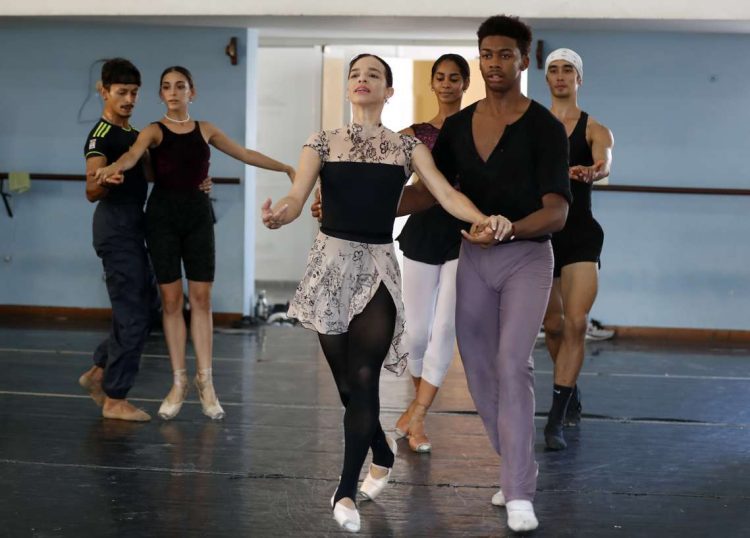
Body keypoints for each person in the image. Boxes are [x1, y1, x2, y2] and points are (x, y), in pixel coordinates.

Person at [261, 53, 501, 533]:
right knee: (348, 387)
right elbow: (297, 196)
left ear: (389, 91)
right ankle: (383, 452)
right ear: (348, 88)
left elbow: (445, 195)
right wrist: (280, 213)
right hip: (329, 269)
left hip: (377, 269)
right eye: (355, 74)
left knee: (365, 375)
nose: (363, 80)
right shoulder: (322, 141)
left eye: (374, 74)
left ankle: (346, 491)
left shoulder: (406, 147)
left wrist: (482, 217)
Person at [397, 16, 572, 532]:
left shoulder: (543, 126)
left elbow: (558, 211)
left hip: (526, 257)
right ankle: (515, 463)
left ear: (524, 58)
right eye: (487, 54)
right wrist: (367, 206)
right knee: (477, 367)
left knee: (512, 362)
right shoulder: (456, 127)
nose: (495, 63)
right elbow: (431, 191)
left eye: (505, 54)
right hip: (473, 258)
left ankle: (519, 490)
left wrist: (508, 230)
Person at [95, 66, 295, 421]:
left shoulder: (206, 129)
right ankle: (179, 382)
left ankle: (206, 382)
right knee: (172, 302)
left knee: (201, 299)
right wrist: (114, 168)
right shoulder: (153, 131)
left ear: (192, 92)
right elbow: (132, 155)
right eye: (167, 87)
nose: (173, 92)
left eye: (180, 86)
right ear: (160, 95)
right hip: (162, 219)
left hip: (198, 217)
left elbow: (244, 153)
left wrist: (286, 168)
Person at [392, 53, 471, 453]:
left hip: (464, 233)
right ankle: (415, 405)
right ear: (432, 84)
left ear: (465, 83)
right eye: (439, 77)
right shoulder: (413, 134)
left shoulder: (478, 128)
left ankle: (418, 417)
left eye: (454, 78)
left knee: (444, 329)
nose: (446, 84)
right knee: (417, 332)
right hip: (423, 232)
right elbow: (389, 183)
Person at [541, 49, 614, 450]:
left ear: (578, 79)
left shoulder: (594, 128)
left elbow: (605, 164)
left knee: (576, 323)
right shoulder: (532, 126)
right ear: (547, 79)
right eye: (553, 69)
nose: (560, 76)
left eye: (568, 69)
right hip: (542, 233)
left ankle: (555, 418)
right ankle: (569, 389)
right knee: (553, 326)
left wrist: (592, 170)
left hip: (581, 232)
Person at [78, 58, 158, 422]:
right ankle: (115, 398)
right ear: (104, 91)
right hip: (115, 229)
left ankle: (98, 370)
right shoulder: (101, 136)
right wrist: (102, 182)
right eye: (121, 92)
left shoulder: (132, 133)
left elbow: (152, 173)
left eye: (134, 93)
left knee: (146, 305)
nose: (128, 99)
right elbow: (91, 188)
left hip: (133, 227)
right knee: (132, 313)